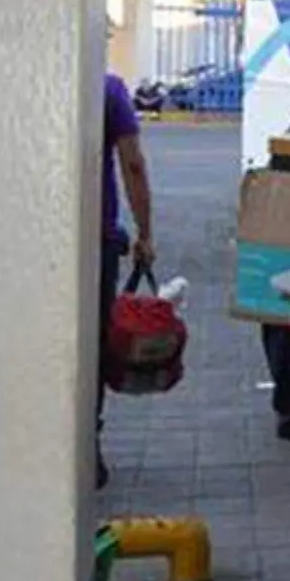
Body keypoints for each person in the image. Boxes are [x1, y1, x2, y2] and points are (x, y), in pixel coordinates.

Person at [98, 71, 155, 489]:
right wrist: (145, 232)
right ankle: (87, 445)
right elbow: (132, 164)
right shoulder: (109, 89)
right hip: (95, 240)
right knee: (92, 348)